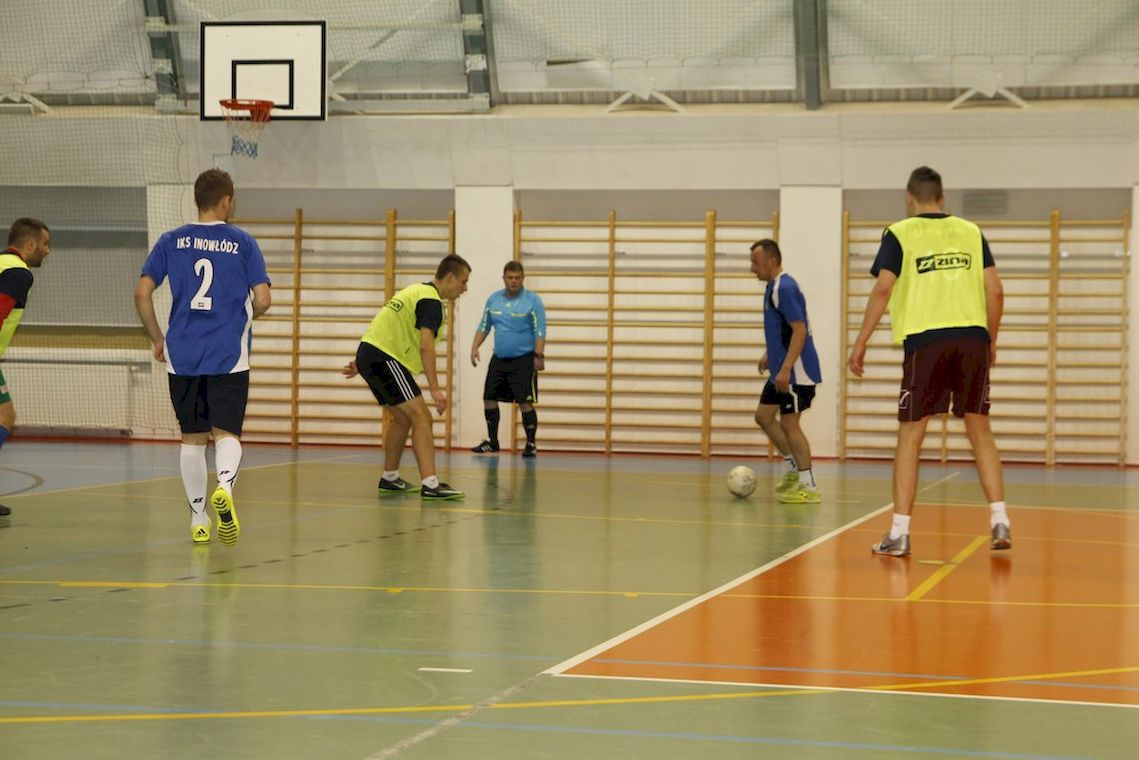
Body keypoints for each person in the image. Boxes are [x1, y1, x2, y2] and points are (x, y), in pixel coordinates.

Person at [848, 166, 1009, 557]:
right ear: (942, 196)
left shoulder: (899, 233)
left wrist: (861, 341)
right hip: (972, 338)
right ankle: (1000, 519)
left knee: (911, 436)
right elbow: (995, 292)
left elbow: (883, 289)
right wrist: (989, 340)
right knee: (980, 430)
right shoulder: (971, 232)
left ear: (909, 198)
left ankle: (899, 533)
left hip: (927, 341)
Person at [135, 168, 272, 546]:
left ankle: (198, 519)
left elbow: (141, 293)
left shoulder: (170, 241)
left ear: (197, 200)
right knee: (226, 432)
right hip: (228, 353)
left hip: (182, 353)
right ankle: (224, 487)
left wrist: (158, 338)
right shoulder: (242, 242)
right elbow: (263, 299)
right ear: (226, 201)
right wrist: (244, 315)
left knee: (192, 439)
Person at [343, 254, 471, 500]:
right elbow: (426, 346)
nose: (465, 288)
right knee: (422, 416)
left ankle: (390, 478)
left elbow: (388, 324)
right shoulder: (430, 300)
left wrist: (363, 361)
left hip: (373, 354)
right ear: (450, 277)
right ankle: (431, 484)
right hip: (383, 357)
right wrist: (435, 389)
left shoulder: (415, 291)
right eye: (463, 282)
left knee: (402, 419)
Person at [748, 239, 823, 504]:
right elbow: (785, 328)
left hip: (796, 371)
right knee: (764, 416)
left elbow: (799, 329)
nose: (752, 268)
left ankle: (808, 486)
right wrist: (771, 354)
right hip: (782, 367)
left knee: (790, 423)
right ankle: (793, 468)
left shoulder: (784, 287)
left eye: (755, 263)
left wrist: (787, 366)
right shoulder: (773, 286)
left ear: (771, 261)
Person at [0, 218, 52, 517]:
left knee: (5, 415)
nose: (47, 250)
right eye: (45, 244)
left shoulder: (2, 263)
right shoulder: (18, 273)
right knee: (5, 416)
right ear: (30, 244)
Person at [469, 261, 547, 458]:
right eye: (510, 278)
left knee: (525, 402)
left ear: (523, 278)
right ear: (504, 278)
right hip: (499, 359)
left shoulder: (533, 301)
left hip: (524, 359)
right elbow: (484, 325)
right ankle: (492, 441)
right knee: (489, 398)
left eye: (517, 278)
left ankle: (531, 444)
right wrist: (475, 347)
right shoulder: (494, 300)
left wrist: (539, 355)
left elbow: (540, 330)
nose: (514, 281)